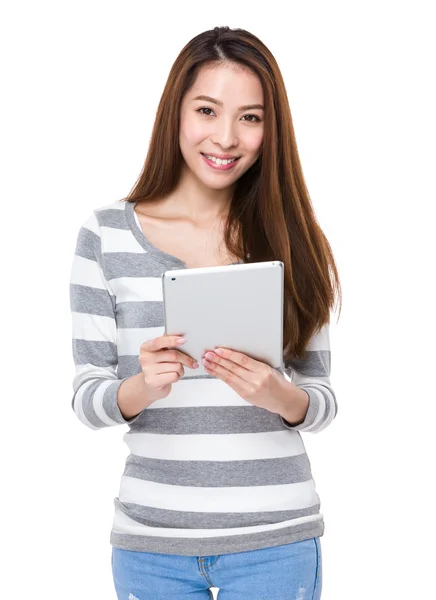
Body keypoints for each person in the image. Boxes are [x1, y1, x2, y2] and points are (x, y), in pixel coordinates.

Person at [69, 25, 341, 600]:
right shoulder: (106, 235)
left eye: (251, 116)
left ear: (272, 129)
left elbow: (321, 401)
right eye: (207, 110)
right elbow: (88, 398)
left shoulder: (295, 239)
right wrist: (142, 386)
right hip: (151, 545)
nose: (226, 136)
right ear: (176, 113)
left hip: (276, 539)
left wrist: (277, 395)